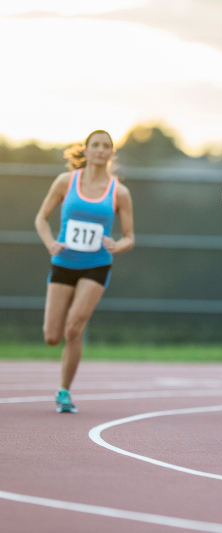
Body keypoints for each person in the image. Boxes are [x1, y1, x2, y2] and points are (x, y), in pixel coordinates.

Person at [34, 130, 135, 413]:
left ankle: (64, 392)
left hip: (97, 265)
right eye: (96, 145)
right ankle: (63, 382)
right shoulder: (66, 182)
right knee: (52, 336)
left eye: (106, 146)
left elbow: (130, 237)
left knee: (74, 327)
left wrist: (116, 245)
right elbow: (41, 218)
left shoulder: (120, 192)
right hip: (64, 263)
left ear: (111, 153)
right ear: (87, 150)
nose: (101, 150)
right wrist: (51, 243)